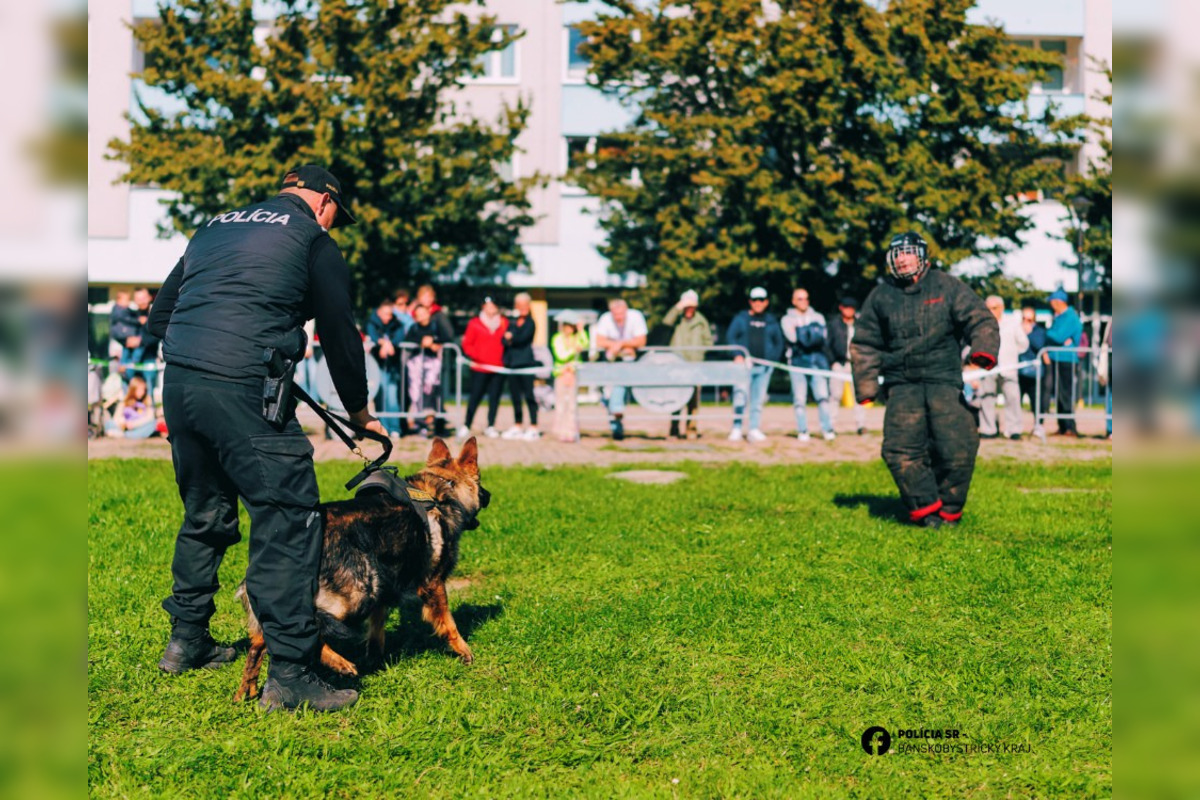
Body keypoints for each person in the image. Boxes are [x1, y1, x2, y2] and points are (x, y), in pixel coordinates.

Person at [148, 165, 383, 713]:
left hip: (180, 384)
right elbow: (339, 332)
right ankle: (292, 673)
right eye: (335, 215)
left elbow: (161, 315)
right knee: (289, 517)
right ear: (325, 202)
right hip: (243, 389)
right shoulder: (312, 240)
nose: (333, 223)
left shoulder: (215, 227)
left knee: (205, 512)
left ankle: (187, 641)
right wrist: (360, 412)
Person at [850, 232, 999, 528]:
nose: (902, 258)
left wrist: (982, 351)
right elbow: (865, 343)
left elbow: (980, 319)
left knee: (958, 447)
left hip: (944, 380)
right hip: (901, 384)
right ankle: (926, 509)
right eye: (897, 253)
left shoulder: (947, 286)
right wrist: (866, 387)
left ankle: (950, 510)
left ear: (923, 256)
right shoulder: (881, 296)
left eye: (908, 252)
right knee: (900, 451)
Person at [726, 287, 784, 442]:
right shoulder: (740, 319)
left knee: (758, 400)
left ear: (766, 302)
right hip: (744, 367)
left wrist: (771, 360)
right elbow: (731, 337)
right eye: (755, 300)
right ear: (750, 302)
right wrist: (737, 355)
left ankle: (753, 428)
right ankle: (737, 427)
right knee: (740, 397)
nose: (758, 303)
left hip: (764, 367)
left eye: (761, 300)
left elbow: (779, 343)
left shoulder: (771, 321)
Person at [781, 287, 835, 442]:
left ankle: (827, 429)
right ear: (793, 301)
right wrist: (810, 333)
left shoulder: (818, 316)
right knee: (799, 399)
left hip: (817, 361)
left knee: (822, 397)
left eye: (806, 298)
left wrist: (802, 332)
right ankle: (803, 430)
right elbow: (792, 338)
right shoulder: (787, 319)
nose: (803, 302)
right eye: (799, 299)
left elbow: (821, 338)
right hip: (796, 363)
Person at [593, 298, 648, 440]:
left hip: (629, 362)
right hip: (610, 360)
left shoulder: (635, 316)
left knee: (618, 386)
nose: (618, 318)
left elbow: (641, 340)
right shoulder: (605, 319)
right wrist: (620, 346)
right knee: (607, 393)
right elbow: (599, 340)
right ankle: (615, 418)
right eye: (615, 315)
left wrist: (620, 344)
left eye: (621, 315)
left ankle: (616, 417)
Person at [662, 290, 713, 439]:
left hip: (695, 367)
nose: (689, 309)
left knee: (694, 400)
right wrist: (677, 307)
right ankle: (674, 428)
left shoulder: (701, 321)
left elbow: (708, 341)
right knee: (676, 398)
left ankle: (691, 428)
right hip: (677, 366)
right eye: (686, 306)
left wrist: (699, 355)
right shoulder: (676, 320)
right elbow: (665, 323)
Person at [977, 295, 1029, 440]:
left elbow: (1023, 344)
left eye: (994, 308)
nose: (990, 311)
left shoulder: (1012, 323)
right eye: (987, 308)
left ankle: (1014, 430)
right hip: (988, 367)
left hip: (1008, 367)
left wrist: (1010, 356)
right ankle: (988, 429)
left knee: (1012, 398)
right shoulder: (981, 324)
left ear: (1002, 308)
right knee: (987, 397)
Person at [459, 297, 508, 439]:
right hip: (479, 367)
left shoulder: (503, 323)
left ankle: (490, 425)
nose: (491, 308)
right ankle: (467, 425)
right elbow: (467, 344)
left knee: (494, 398)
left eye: (493, 305)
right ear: (483, 307)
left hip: (497, 367)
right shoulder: (474, 323)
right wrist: (477, 357)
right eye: (488, 305)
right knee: (475, 397)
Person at [1038, 289, 1083, 437]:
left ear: (1058, 302)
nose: (1051, 305)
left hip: (1066, 360)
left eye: (1052, 302)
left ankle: (1070, 427)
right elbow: (1058, 337)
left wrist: (1046, 332)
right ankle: (1062, 426)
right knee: (1058, 394)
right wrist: (1054, 336)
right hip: (1057, 358)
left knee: (1066, 394)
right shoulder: (1059, 317)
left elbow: (1057, 336)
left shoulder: (1070, 317)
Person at [364, 298, 407, 437]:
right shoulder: (371, 322)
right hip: (377, 366)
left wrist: (389, 344)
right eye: (385, 314)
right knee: (380, 397)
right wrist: (385, 343)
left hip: (392, 367)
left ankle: (395, 428)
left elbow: (400, 337)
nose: (387, 317)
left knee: (392, 397)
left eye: (390, 314)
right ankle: (382, 427)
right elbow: (372, 335)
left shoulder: (397, 323)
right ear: (379, 312)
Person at [502, 292, 542, 440]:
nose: (522, 308)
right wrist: (510, 339)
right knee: (515, 397)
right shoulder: (512, 322)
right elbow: (503, 340)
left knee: (529, 396)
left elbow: (522, 339)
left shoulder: (531, 323)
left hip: (526, 364)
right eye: (520, 305)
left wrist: (511, 338)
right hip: (512, 364)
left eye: (525, 305)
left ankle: (533, 426)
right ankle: (517, 424)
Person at [403, 303, 447, 436]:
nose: (422, 317)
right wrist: (422, 341)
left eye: (424, 313)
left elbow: (446, 337)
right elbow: (408, 341)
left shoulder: (436, 326)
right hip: (416, 364)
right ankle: (421, 422)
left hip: (432, 364)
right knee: (416, 393)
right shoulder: (414, 328)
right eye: (419, 315)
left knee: (430, 388)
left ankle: (431, 421)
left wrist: (434, 341)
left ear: (429, 313)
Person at [825, 296, 866, 435]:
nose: (849, 310)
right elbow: (827, 344)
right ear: (841, 308)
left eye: (852, 308)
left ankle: (861, 425)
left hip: (856, 364)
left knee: (859, 395)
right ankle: (831, 424)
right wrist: (832, 361)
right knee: (835, 394)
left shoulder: (860, 324)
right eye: (846, 307)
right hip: (839, 363)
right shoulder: (834, 324)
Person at [551, 311, 589, 442]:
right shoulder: (557, 338)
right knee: (561, 404)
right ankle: (560, 430)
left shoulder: (576, 338)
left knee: (572, 404)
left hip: (572, 374)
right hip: (561, 374)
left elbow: (585, 343)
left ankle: (571, 431)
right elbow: (561, 355)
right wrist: (574, 350)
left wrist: (581, 330)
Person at [1017, 304, 1047, 429]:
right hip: (1019, 371)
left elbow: (1039, 345)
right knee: (1016, 400)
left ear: (1034, 320)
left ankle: (1038, 426)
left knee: (1036, 401)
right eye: (1023, 319)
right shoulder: (1016, 329)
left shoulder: (1039, 331)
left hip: (1034, 372)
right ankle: (1015, 427)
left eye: (1029, 320)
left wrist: (1028, 334)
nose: (1025, 322)